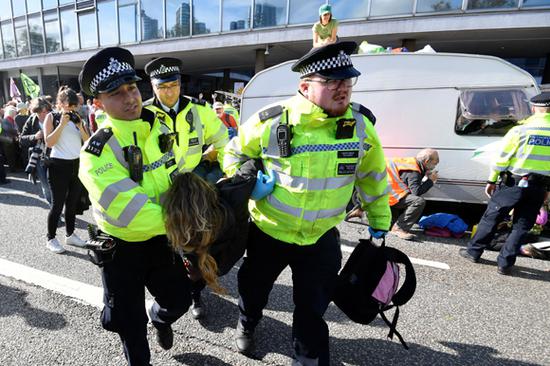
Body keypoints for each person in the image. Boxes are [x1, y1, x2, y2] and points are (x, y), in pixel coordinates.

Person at [223, 41, 391, 365]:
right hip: (269, 231)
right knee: (254, 290)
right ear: (305, 86)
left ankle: (308, 358)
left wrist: (380, 224)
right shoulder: (273, 120)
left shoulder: (360, 127)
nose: (342, 89)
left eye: (346, 81)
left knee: (313, 307)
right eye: (330, 82)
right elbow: (234, 152)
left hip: (320, 237)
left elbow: (372, 178)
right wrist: (248, 181)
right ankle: (247, 322)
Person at [78, 47, 193, 366]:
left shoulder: (159, 127)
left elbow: (177, 173)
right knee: (129, 324)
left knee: (179, 299)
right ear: (98, 103)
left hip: (161, 240)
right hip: (122, 248)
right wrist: (188, 221)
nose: (130, 97)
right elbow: (133, 214)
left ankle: (160, 317)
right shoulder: (96, 153)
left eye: (131, 87)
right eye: (116, 93)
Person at [144, 57, 229, 318]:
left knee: (197, 246)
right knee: (166, 248)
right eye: (162, 87)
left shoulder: (200, 110)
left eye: (173, 85)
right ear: (153, 87)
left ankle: (195, 294)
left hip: (191, 193)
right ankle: (168, 298)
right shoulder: (142, 114)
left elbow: (224, 142)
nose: (169, 92)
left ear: (180, 83)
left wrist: (226, 173)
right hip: (159, 191)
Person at [459, 92, 550, 275]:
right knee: (522, 225)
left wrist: (491, 180)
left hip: (514, 183)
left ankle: (474, 251)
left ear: (534, 109)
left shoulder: (520, 130)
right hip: (539, 186)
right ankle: (505, 263)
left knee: (492, 217)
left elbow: (501, 159)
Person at [44, 86, 90, 253]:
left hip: (76, 164)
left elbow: (88, 142)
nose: (71, 109)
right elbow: (49, 142)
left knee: (72, 204)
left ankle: (70, 235)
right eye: (69, 105)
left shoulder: (78, 118)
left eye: (74, 105)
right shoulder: (52, 117)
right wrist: (62, 124)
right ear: (60, 103)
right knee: (57, 205)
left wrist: (79, 126)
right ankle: (50, 238)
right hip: (58, 165)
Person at [386, 149, 439, 240]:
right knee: (418, 201)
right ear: (426, 161)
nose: (435, 166)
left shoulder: (411, 163)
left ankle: (362, 212)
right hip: (388, 195)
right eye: (435, 163)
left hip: (381, 191)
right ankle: (399, 229)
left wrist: (424, 174)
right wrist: (430, 181)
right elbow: (416, 192)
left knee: (388, 224)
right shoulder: (413, 171)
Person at [19, 97, 53, 205]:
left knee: (58, 186)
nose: (44, 114)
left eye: (46, 111)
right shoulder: (32, 120)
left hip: (55, 156)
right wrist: (34, 136)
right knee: (46, 186)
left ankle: (59, 209)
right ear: (35, 111)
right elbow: (21, 139)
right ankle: (55, 212)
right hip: (39, 158)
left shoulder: (54, 117)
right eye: (41, 112)